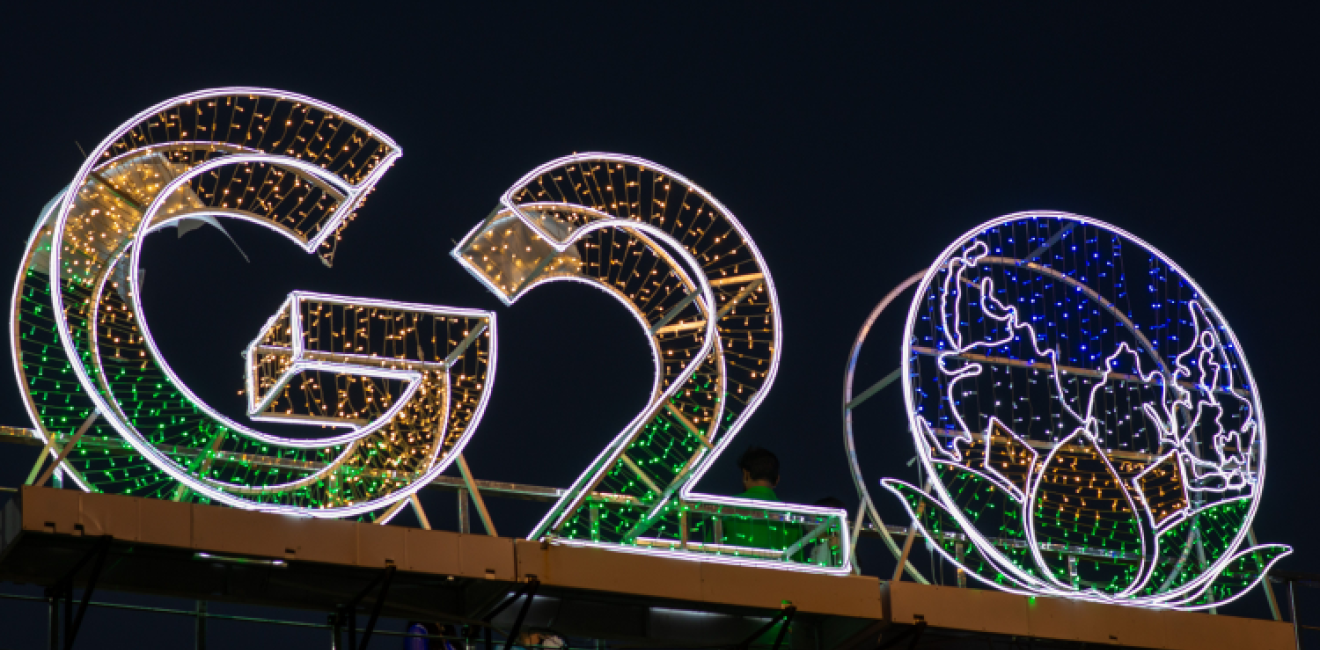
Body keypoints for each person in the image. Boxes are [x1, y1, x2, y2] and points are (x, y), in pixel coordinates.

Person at [720, 447, 802, 557]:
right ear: (777, 480)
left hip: (734, 572)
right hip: (778, 573)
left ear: (746, 474)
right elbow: (798, 562)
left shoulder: (725, 508)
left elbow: (708, 551)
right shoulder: (792, 516)